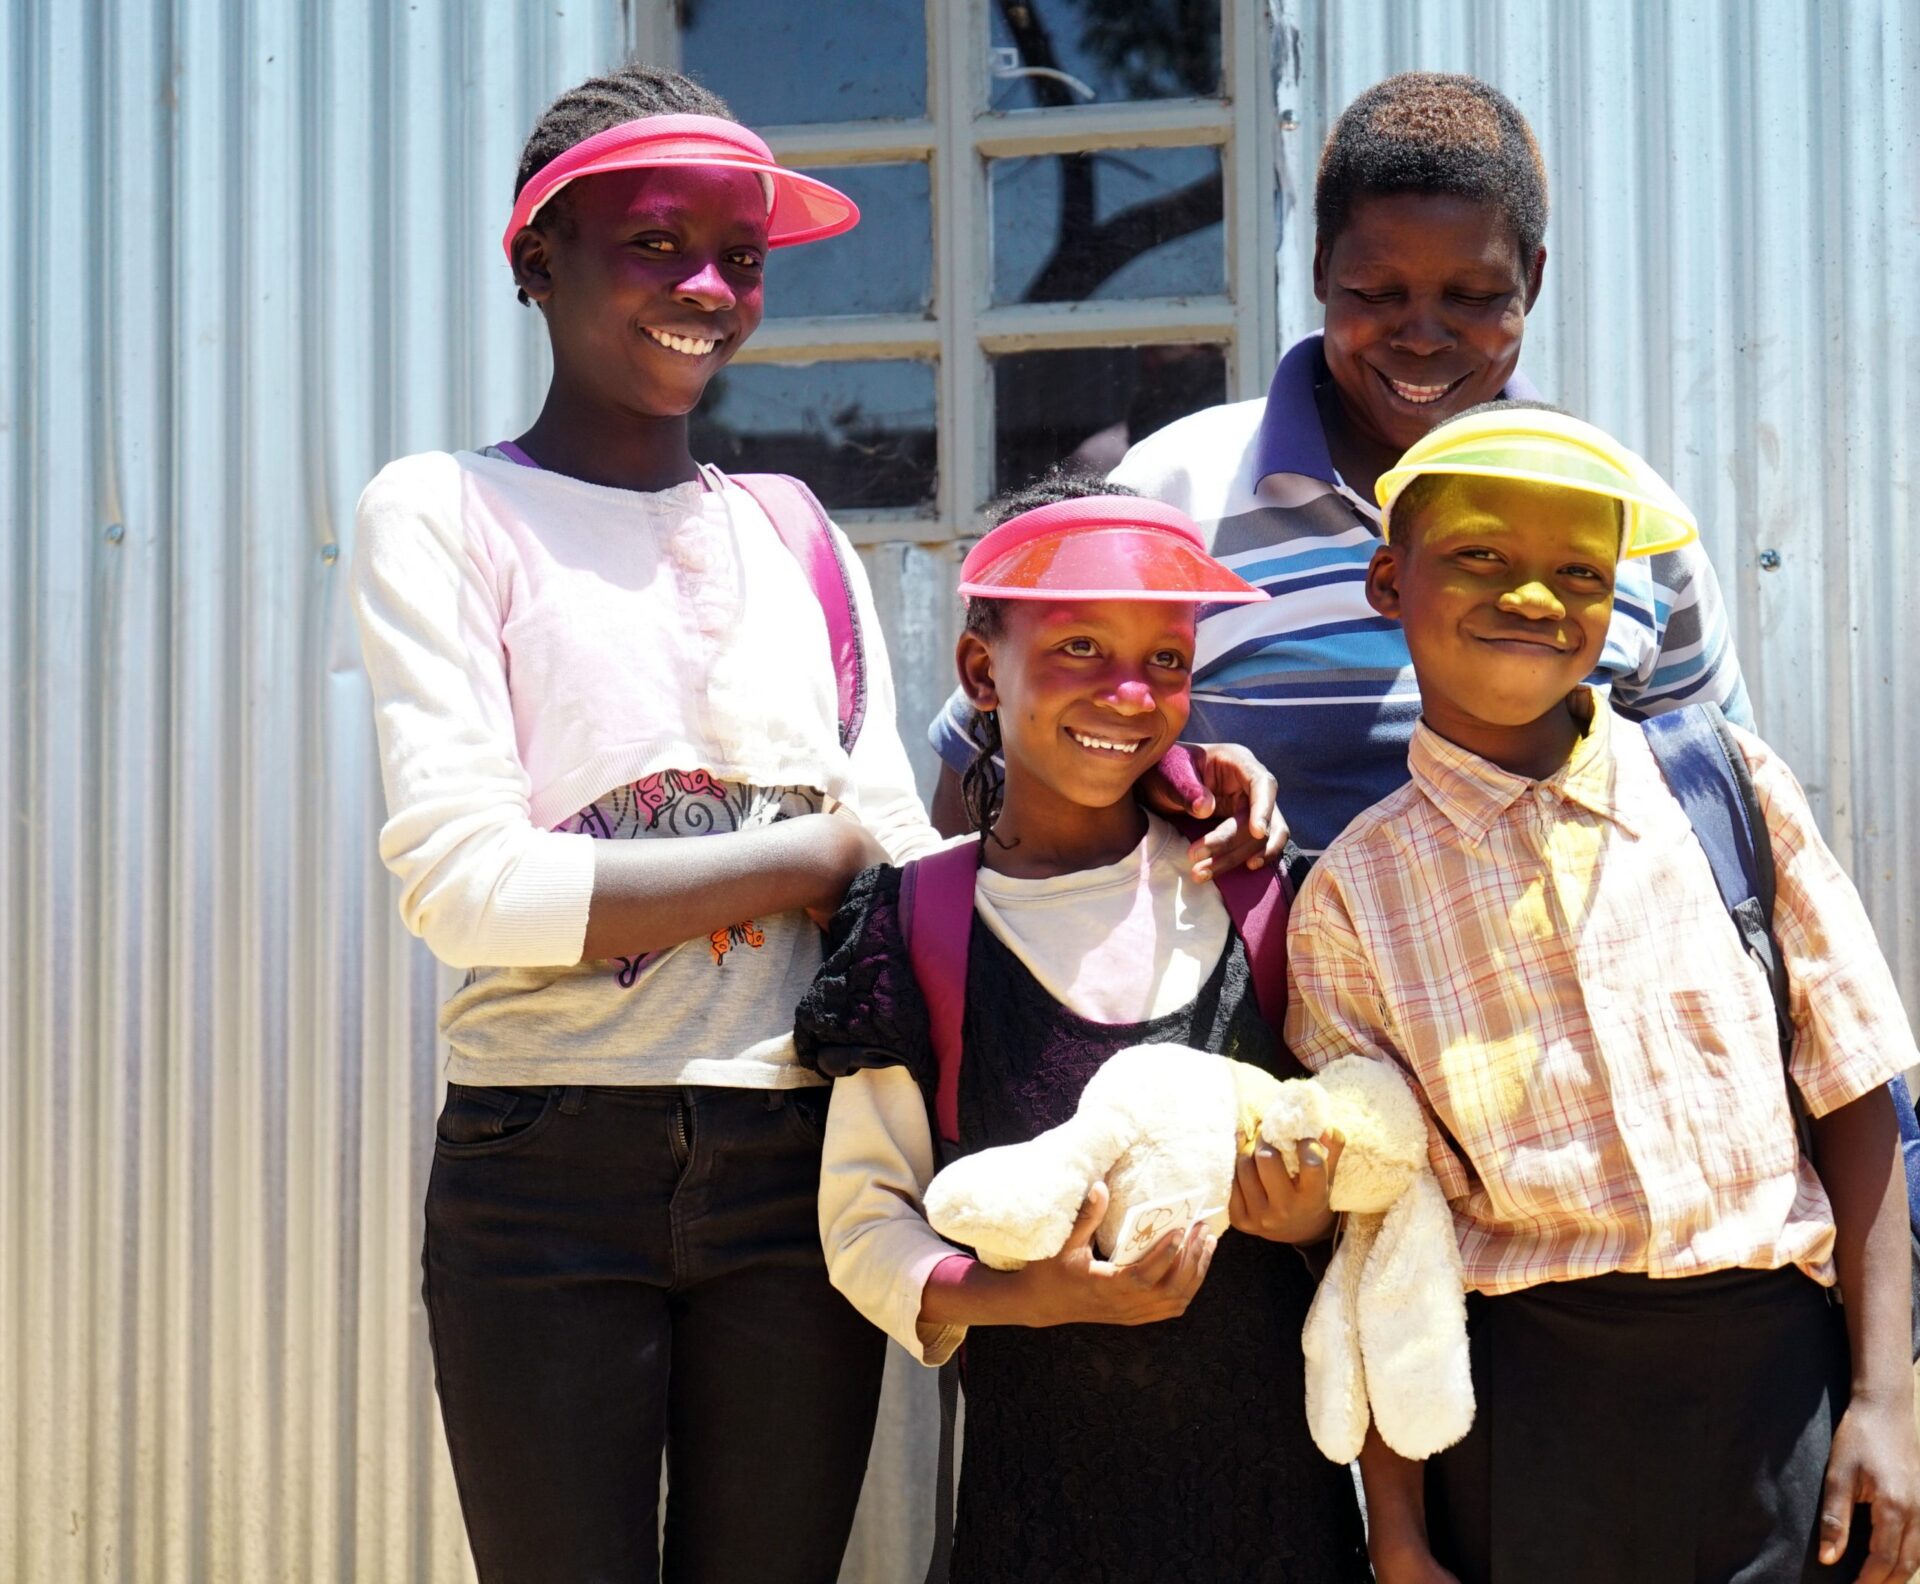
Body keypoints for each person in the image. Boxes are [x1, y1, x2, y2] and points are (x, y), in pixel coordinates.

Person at [349, 63, 946, 1583]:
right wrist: (805, 855)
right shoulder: (443, 512)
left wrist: (1142, 812)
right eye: (655, 243)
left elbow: (899, 854)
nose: (706, 288)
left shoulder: (794, 532)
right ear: (536, 260)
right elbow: (470, 890)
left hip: (793, 1157)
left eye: (739, 258)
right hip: (544, 1161)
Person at [1284, 404, 1920, 1584]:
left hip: (1779, 1398)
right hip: (1524, 1423)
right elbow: (1386, 1239)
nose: (1532, 597)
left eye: (1579, 570)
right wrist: (1402, 1530)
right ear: (1388, 578)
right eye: (1480, 554)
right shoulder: (1353, 895)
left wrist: (1886, 1400)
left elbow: (1853, 1094)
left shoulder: (1724, 788)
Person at [926, 72, 1750, 858]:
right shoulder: (1175, 496)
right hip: (1255, 1002)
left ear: (1529, 281)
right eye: (1377, 293)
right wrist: (1172, 779)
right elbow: (988, 773)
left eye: (1470, 297)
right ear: (1321, 270)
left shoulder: (1628, 519)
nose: (1422, 336)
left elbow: (1726, 805)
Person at [795, 474, 1372, 1584]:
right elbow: (864, 1228)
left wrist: (1310, 1222)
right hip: (1037, 1524)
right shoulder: (923, 923)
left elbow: (1367, 1176)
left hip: (1281, 1524)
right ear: (981, 671)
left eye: (1165, 659)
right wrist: (1025, 1297)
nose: (1127, 693)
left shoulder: (1253, 896)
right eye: (1079, 650)